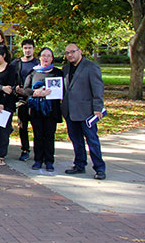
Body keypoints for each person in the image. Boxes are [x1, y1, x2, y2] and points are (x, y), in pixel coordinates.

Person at [62, 43, 106, 180]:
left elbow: (98, 88)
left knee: (92, 140)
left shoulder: (91, 67)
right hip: (70, 111)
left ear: (79, 51)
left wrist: (98, 107)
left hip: (86, 112)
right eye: (67, 53)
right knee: (76, 140)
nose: (70, 55)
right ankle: (79, 164)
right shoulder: (66, 69)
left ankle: (99, 168)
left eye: (72, 52)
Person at [22, 47, 63, 172]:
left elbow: (63, 89)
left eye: (48, 56)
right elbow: (26, 89)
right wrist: (36, 92)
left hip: (51, 110)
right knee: (38, 135)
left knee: (49, 135)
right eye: (43, 56)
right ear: (39, 57)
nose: (46, 58)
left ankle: (49, 161)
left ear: (52, 58)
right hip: (37, 110)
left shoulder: (57, 72)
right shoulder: (33, 72)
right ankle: (38, 159)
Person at [11, 39, 40, 161]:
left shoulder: (39, 63)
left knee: (37, 126)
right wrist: (15, 88)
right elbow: (9, 77)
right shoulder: (16, 63)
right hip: (21, 99)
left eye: (30, 48)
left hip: (35, 99)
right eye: (25, 48)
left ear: (34, 48)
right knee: (22, 126)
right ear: (22, 49)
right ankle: (25, 149)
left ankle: (39, 151)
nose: (27, 50)